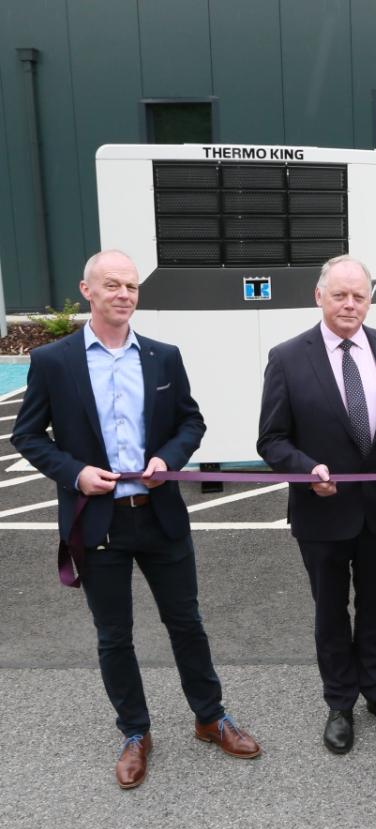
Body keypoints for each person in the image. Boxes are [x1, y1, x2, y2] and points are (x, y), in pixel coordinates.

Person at [12, 250, 261, 790]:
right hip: (96, 522)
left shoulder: (163, 356)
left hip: (159, 516)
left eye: (131, 285)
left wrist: (168, 460)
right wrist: (74, 473)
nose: (124, 294)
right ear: (87, 290)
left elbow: (191, 421)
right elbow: (28, 436)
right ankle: (134, 733)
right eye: (112, 285)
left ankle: (210, 717)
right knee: (114, 636)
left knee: (187, 623)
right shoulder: (55, 361)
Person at [257, 255, 376, 754]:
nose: (350, 304)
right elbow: (271, 439)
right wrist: (306, 471)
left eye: (359, 295)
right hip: (321, 512)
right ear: (319, 296)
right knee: (330, 611)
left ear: (370, 299)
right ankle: (339, 703)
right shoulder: (287, 357)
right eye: (340, 295)